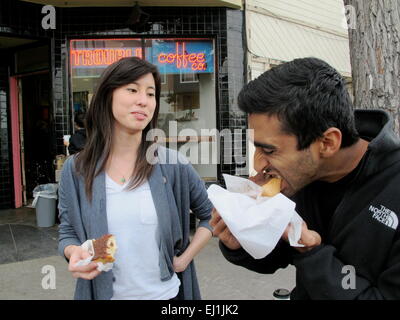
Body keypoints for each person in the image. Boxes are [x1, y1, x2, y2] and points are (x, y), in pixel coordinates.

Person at [211, 57, 400, 300]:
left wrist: (312, 252)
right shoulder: (301, 177)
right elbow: (277, 257)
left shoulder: (392, 188)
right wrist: (241, 240)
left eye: (269, 151)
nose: (258, 164)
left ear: (327, 143)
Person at [58, 57, 214, 300]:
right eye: (132, 90)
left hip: (166, 296)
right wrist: (74, 251)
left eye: (150, 94)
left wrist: (184, 259)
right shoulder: (77, 168)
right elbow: (67, 230)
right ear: (107, 95)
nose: (143, 100)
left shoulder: (172, 164)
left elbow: (211, 216)